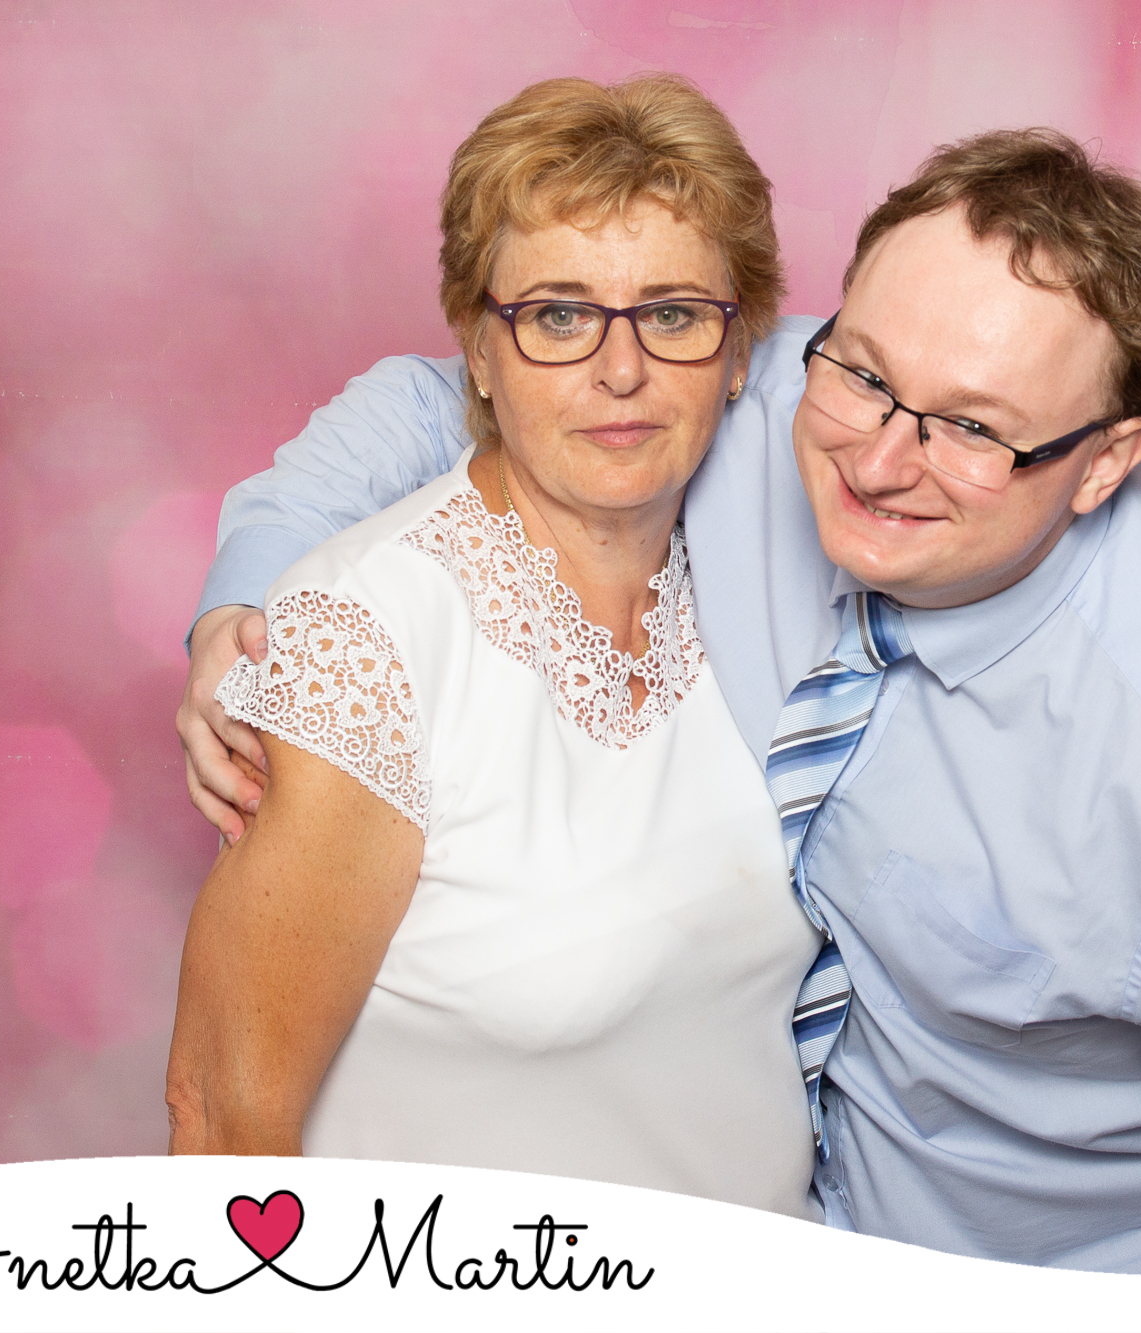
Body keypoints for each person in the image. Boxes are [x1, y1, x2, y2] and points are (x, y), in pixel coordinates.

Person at [179, 127, 1141, 1274]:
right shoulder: (763, 399)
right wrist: (243, 609)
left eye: (974, 431)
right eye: (858, 371)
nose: (880, 460)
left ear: (1102, 461)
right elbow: (457, 390)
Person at [163, 74, 824, 1221]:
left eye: (672, 313)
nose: (620, 371)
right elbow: (222, 1114)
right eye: (559, 316)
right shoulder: (367, 639)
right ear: (478, 346)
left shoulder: (770, 581)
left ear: (738, 351)